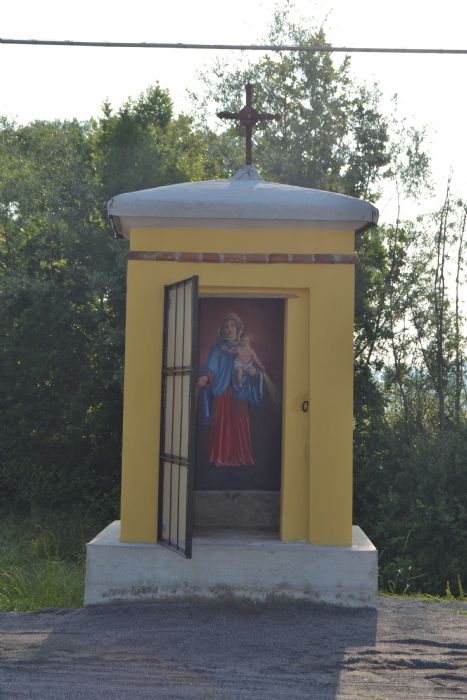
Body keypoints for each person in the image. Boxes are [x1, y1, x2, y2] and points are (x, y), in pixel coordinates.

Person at [198, 314, 263, 467]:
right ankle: (220, 457)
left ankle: (241, 457)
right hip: (222, 391)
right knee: (221, 424)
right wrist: (206, 377)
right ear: (222, 330)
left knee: (240, 422)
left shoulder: (244, 347)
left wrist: (255, 373)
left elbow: (255, 367)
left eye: (232, 326)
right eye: (226, 327)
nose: (229, 329)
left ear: (238, 328)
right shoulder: (218, 347)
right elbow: (212, 366)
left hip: (239, 392)